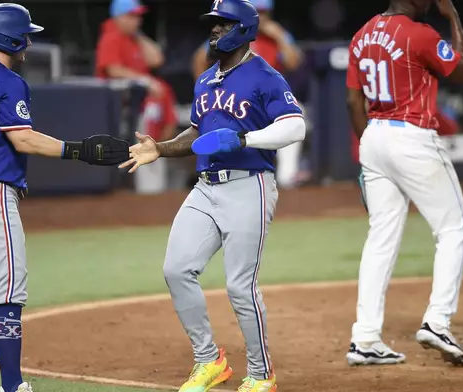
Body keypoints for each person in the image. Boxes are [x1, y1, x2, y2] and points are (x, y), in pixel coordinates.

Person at [119, 0, 305, 390]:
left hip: (249, 183)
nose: (215, 30)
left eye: (223, 24)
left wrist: (246, 137)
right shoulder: (206, 79)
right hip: (205, 188)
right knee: (176, 269)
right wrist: (161, 148)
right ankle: (210, 360)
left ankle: (261, 373)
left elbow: (294, 127)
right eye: (213, 24)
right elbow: (197, 134)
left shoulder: (264, 75)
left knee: (240, 286)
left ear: (243, 29)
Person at [0, 4, 129, 392]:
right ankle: (12, 386)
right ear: (10, 39)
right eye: (24, 36)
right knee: (7, 294)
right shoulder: (7, 80)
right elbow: (22, 138)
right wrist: (75, 150)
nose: (28, 43)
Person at [344, 0, 463, 367]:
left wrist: (368, 151)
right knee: (453, 229)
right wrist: (454, 16)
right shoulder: (419, 34)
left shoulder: (361, 34)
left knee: (380, 237)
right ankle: (438, 321)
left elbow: (353, 100)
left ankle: (365, 337)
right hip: (412, 135)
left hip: (374, 136)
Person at [192, 0, 304, 190]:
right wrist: (208, 92)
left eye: (264, 12)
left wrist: (279, 36)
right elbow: (197, 60)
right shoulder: (229, 33)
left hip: (268, 100)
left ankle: (287, 178)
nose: (262, 17)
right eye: (258, 11)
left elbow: (294, 62)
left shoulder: (275, 38)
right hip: (236, 100)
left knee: (293, 117)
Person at [94, 0, 178, 192]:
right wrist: (146, 81)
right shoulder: (112, 36)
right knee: (146, 132)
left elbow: (157, 59)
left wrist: (139, 36)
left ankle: (152, 181)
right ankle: (145, 188)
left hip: (138, 103)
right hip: (118, 105)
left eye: (138, 16)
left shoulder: (133, 38)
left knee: (157, 117)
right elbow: (113, 69)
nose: (137, 21)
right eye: (132, 16)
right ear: (118, 17)